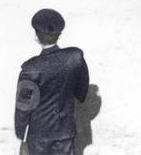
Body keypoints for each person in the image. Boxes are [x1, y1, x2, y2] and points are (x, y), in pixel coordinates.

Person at [15, 9, 90, 155]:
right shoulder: (75, 57)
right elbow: (82, 91)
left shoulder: (31, 69)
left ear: (36, 36)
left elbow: (23, 108)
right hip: (65, 130)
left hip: (39, 135)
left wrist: (21, 136)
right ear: (59, 34)